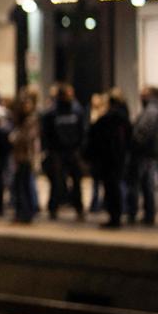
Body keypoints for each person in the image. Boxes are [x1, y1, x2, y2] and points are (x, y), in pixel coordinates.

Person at [85, 89, 131, 228]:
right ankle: (117, 214)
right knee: (115, 187)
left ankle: (115, 217)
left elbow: (94, 137)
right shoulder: (123, 119)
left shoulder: (107, 120)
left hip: (108, 160)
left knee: (112, 188)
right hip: (118, 158)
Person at [42, 83, 88, 221]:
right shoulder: (52, 112)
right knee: (56, 182)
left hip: (73, 150)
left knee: (77, 182)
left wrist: (80, 148)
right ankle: (53, 208)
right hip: (57, 151)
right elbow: (46, 133)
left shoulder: (76, 110)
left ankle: (78, 209)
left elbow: (82, 131)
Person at [130, 86, 158, 225]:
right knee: (147, 184)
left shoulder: (151, 111)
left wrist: (134, 143)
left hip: (145, 153)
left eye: (143, 94)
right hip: (152, 152)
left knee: (142, 184)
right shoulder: (157, 110)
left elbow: (143, 133)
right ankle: (148, 214)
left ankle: (140, 213)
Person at [9, 88, 41, 223]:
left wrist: (14, 137)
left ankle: (26, 213)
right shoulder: (22, 120)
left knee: (24, 186)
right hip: (19, 157)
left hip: (26, 157)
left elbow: (27, 138)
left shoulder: (31, 120)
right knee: (20, 185)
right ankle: (22, 211)